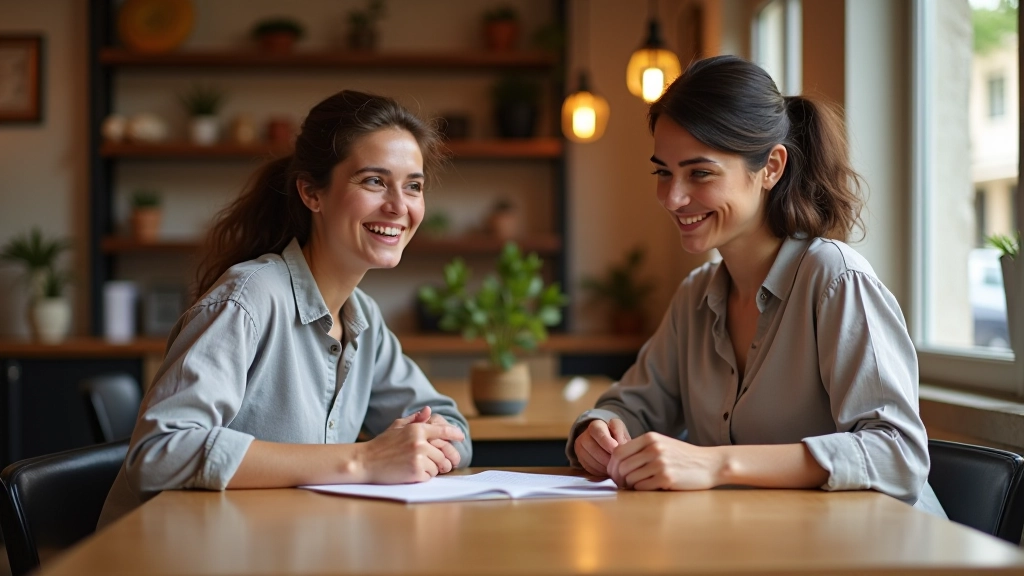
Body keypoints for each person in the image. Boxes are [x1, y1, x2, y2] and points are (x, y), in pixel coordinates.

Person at [567, 55, 944, 516]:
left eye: (699, 172)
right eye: (663, 171)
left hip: (887, 554)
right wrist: (599, 431)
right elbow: (631, 407)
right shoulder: (696, 295)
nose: (672, 197)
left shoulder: (835, 279)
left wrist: (716, 465)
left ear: (771, 167)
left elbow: (898, 454)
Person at [99, 90, 471, 527]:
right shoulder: (250, 297)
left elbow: (452, 428)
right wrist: (363, 460)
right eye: (373, 181)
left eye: (413, 186)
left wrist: (423, 444)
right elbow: (160, 453)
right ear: (312, 194)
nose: (398, 206)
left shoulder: (362, 317)